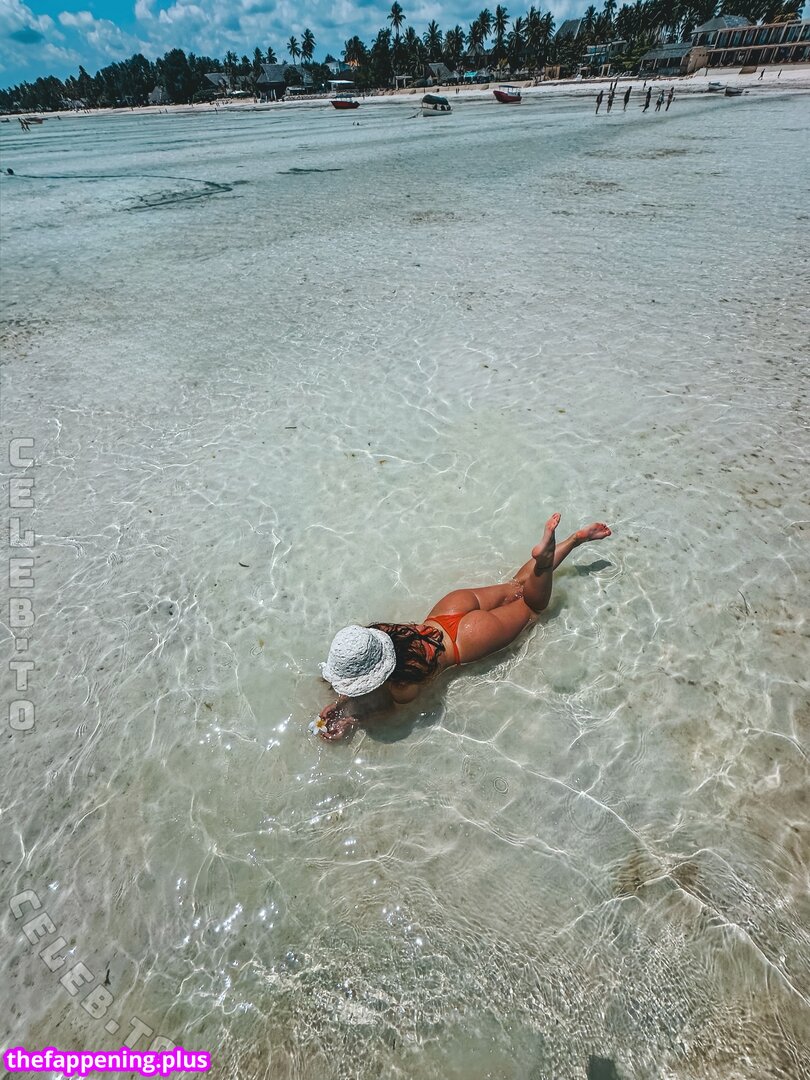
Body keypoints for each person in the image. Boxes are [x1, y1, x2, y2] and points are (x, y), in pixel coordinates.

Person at [316, 515, 612, 740]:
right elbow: (369, 675)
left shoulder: (402, 686)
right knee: (517, 586)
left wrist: (353, 718)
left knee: (532, 607)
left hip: (467, 641)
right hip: (448, 609)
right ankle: (574, 540)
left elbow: (390, 711)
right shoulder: (383, 632)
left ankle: (544, 564)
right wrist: (343, 702)